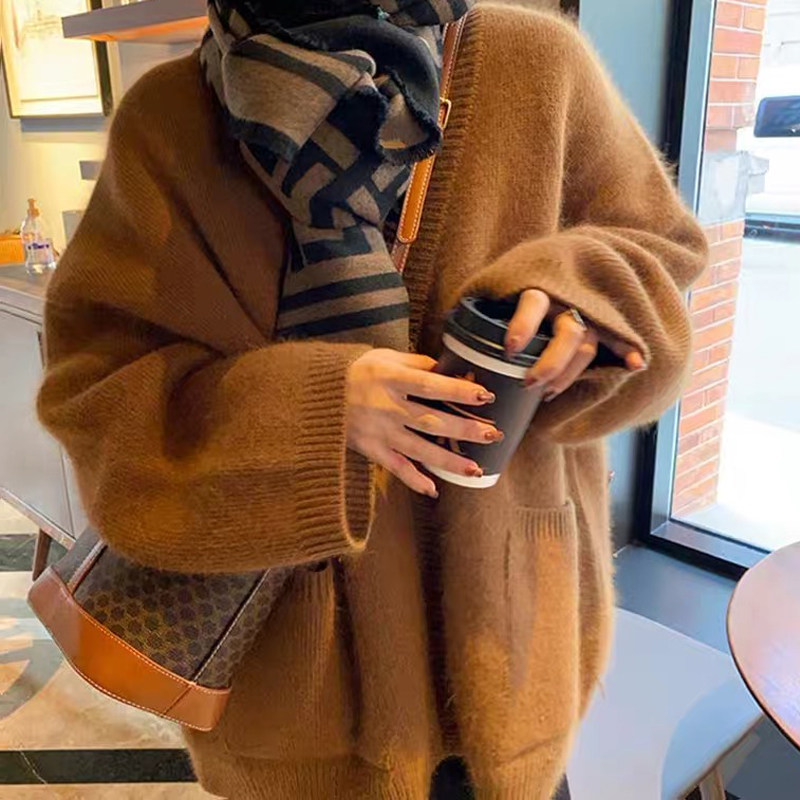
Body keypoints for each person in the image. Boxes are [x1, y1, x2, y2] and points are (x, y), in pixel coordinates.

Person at [37, 1, 708, 798]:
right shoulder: (170, 120)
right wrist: (319, 409)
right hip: (298, 692)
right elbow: (99, 392)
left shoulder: (535, 64)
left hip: (507, 639)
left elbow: (659, 254)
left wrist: (579, 295)